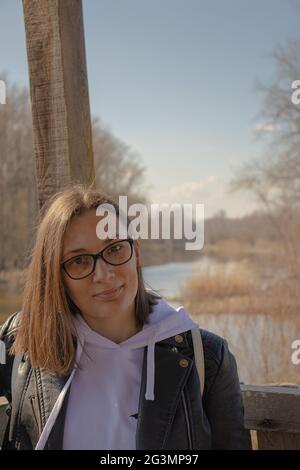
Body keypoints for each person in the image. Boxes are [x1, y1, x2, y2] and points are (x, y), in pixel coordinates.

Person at [0, 185, 250, 450]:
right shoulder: (23, 343)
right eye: (79, 261)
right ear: (55, 274)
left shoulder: (207, 357)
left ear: (137, 253)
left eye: (115, 249)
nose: (104, 275)